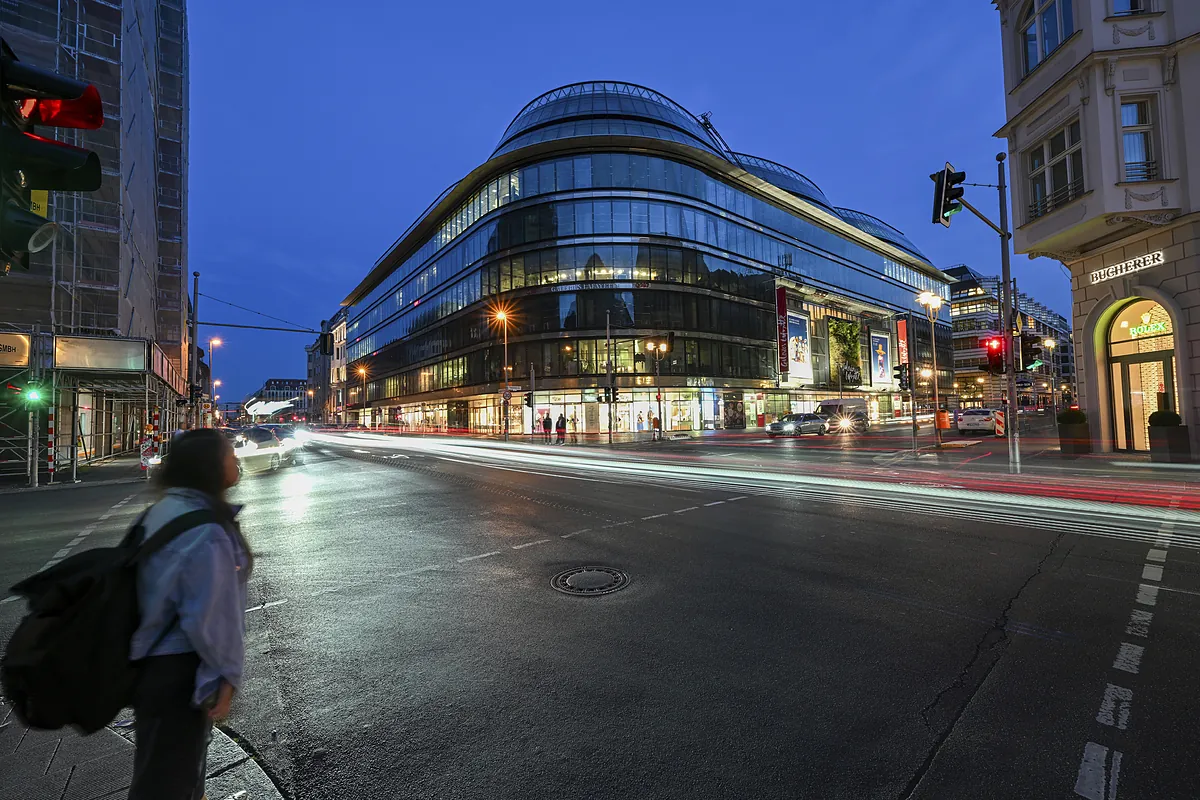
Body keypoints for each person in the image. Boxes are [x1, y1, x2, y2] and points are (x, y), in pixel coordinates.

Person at [128, 429, 252, 800]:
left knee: (166, 776)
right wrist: (226, 677)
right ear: (210, 467)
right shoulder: (206, 530)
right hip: (180, 673)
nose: (237, 460)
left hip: (152, 664)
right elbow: (211, 618)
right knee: (170, 784)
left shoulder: (165, 509)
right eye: (230, 454)